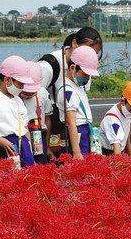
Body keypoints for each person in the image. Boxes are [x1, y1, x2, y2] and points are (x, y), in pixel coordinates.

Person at [38, 27, 103, 155]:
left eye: (94, 53)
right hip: (53, 129)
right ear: (74, 44)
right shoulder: (49, 66)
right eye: (87, 50)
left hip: (76, 131)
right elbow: (35, 103)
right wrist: (45, 146)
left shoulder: (84, 70)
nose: (90, 56)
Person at [0, 55, 35, 168]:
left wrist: (30, 150)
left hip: (22, 143)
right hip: (4, 144)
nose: (22, 87)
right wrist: (0, 140)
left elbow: (24, 128)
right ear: (7, 79)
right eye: (20, 84)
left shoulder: (18, 100)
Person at [56, 46, 100, 160]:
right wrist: (76, 152)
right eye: (85, 74)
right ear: (72, 68)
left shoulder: (77, 86)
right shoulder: (68, 90)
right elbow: (71, 123)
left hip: (84, 131)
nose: (87, 78)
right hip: (76, 134)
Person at [99, 81, 131, 155]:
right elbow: (116, 146)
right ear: (123, 101)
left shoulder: (125, 112)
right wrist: (120, 163)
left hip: (121, 150)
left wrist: (129, 149)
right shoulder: (112, 120)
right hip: (110, 153)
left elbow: (127, 128)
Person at [21, 61, 54, 164]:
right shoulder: (15, 96)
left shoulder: (43, 93)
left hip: (40, 136)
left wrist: (47, 146)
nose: (28, 94)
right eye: (25, 92)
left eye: (31, 92)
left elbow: (48, 119)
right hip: (23, 136)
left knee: (41, 166)